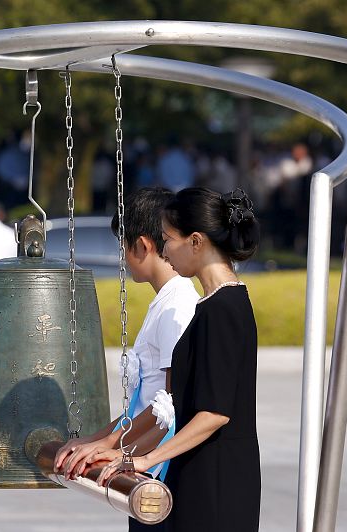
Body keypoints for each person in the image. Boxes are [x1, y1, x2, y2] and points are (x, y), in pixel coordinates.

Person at [90, 187, 261, 532]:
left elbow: (214, 413)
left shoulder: (222, 309)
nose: (165, 250)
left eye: (168, 239)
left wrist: (144, 459)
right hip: (200, 471)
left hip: (217, 477)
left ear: (196, 242)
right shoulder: (212, 305)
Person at [53, 187, 201, 532]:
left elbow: (170, 405)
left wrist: (119, 451)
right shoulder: (165, 302)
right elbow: (144, 403)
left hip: (161, 465)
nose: (122, 255)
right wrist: (97, 441)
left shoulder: (178, 306)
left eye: (124, 245)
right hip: (144, 458)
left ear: (143, 245)